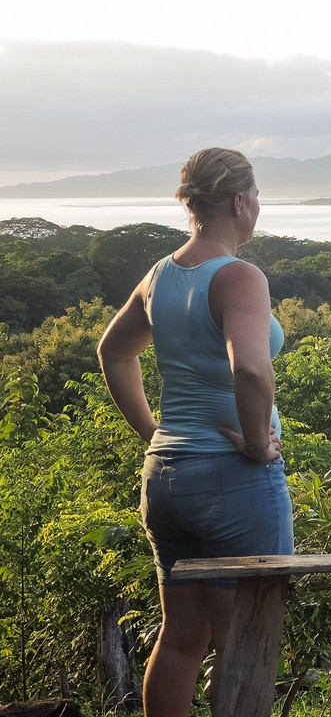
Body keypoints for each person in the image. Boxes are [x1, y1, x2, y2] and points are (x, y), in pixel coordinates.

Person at [97, 147, 293, 717]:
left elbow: (114, 351)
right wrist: (257, 444)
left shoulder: (162, 274)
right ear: (239, 200)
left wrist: (152, 432)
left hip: (166, 478)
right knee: (245, 643)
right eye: (256, 196)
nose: (258, 207)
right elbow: (252, 368)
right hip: (235, 481)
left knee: (182, 638)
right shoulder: (238, 277)